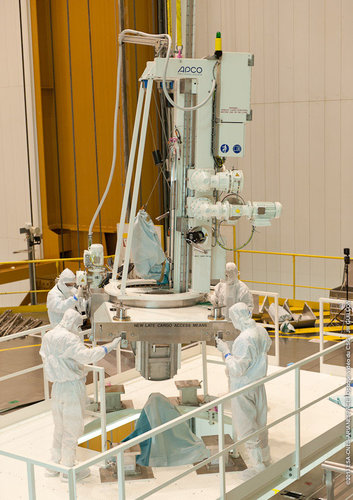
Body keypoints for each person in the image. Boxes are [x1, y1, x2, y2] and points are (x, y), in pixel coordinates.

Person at [40, 309, 120, 481]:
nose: (77, 329)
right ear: (71, 323)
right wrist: (109, 347)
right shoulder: (68, 338)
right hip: (71, 388)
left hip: (57, 388)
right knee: (72, 428)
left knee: (59, 428)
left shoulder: (48, 335)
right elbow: (86, 356)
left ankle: (53, 465)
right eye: (77, 325)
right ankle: (68, 470)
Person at [216, 302, 272, 479]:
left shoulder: (243, 339)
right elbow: (266, 347)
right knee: (260, 422)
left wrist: (225, 352)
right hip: (258, 384)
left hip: (242, 387)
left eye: (232, 319)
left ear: (238, 317)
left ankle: (257, 469)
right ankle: (265, 458)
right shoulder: (261, 330)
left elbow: (236, 369)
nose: (232, 322)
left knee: (246, 427)